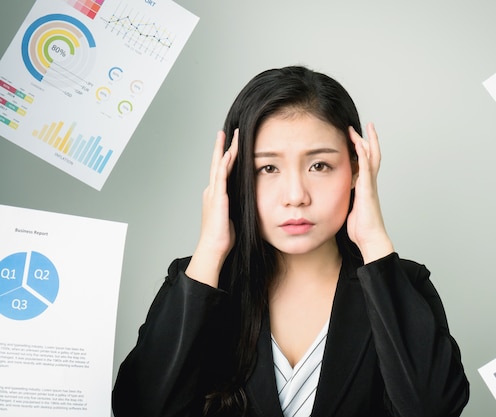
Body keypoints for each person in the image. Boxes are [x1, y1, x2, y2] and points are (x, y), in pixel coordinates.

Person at [112, 65, 469, 417]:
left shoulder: (401, 286)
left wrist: (373, 240)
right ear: (235, 176)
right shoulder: (198, 284)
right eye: (268, 168)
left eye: (319, 166)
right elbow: (140, 409)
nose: (295, 196)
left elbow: (434, 408)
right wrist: (210, 250)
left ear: (357, 168)